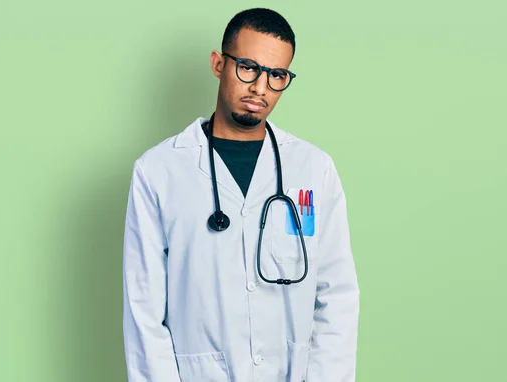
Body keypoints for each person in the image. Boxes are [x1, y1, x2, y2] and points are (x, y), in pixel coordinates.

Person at [122, 7, 360, 382]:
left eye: (277, 75)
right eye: (248, 67)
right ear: (219, 64)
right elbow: (144, 311)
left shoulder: (314, 169)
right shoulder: (158, 172)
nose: (260, 87)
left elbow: (337, 297)